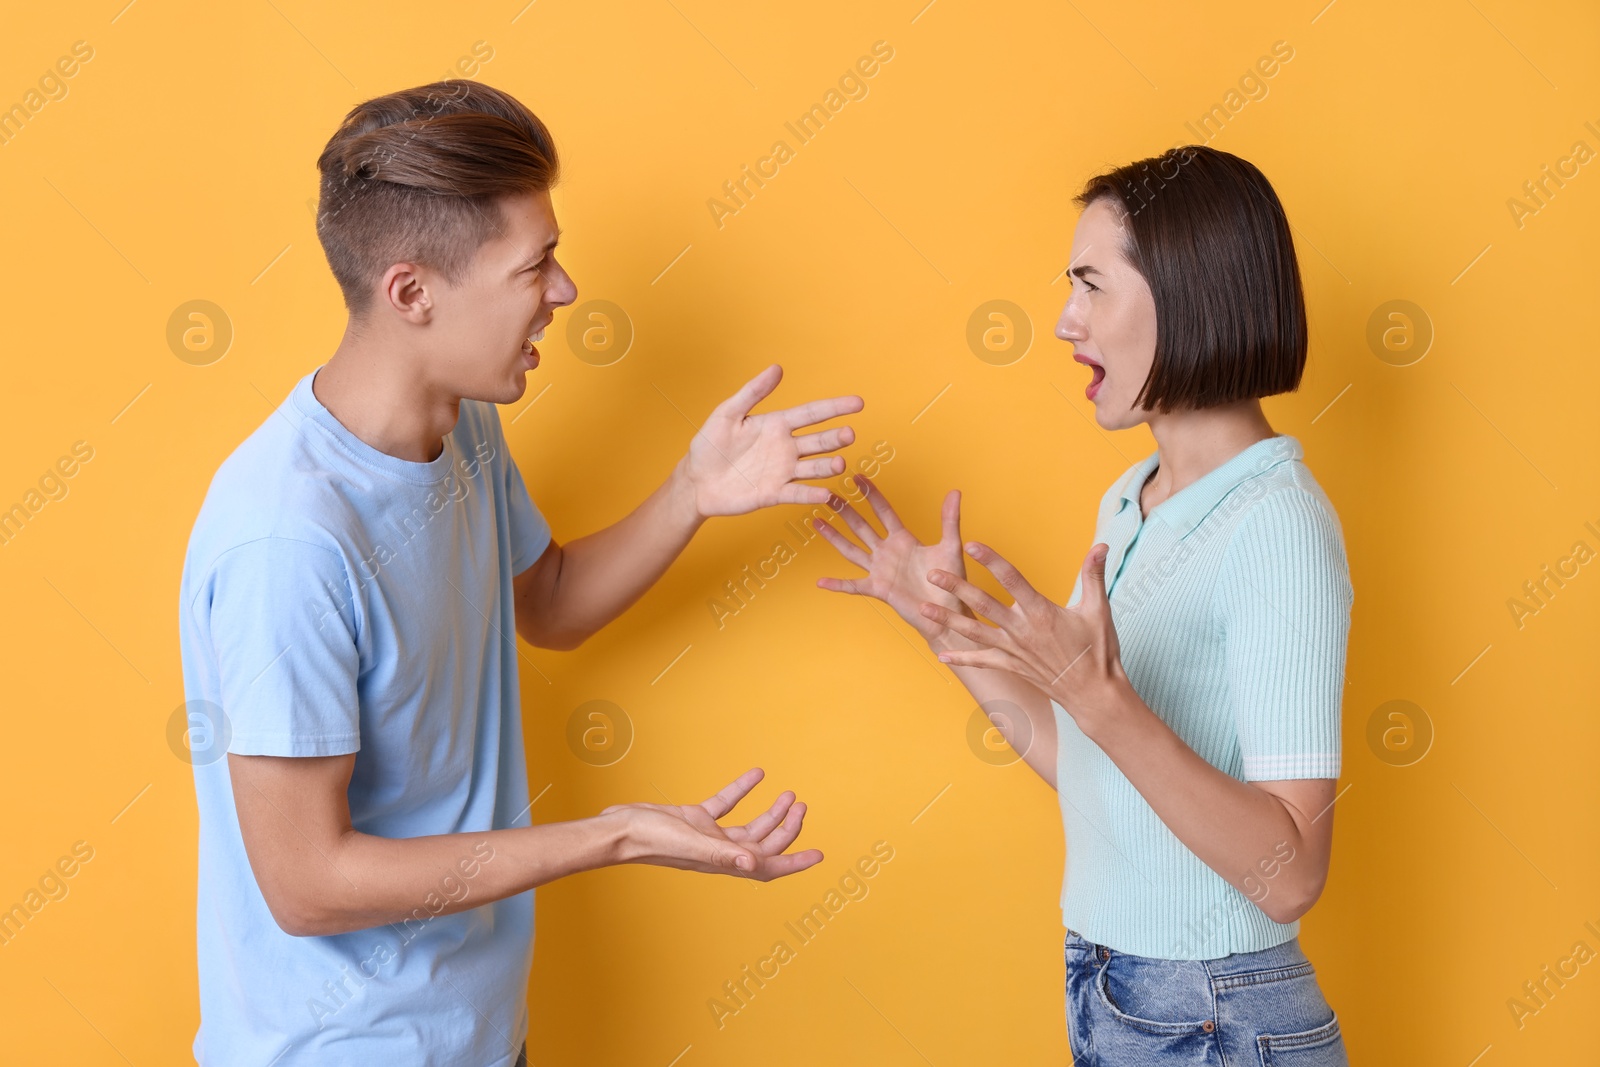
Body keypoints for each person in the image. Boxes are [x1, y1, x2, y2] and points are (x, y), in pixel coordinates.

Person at [176, 80, 858, 1066]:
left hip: (471, 1031)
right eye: (535, 264)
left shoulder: (463, 426)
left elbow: (548, 604)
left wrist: (692, 492)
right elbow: (307, 883)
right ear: (413, 293)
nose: (566, 290)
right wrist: (614, 834)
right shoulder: (288, 540)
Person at [812, 144, 1353, 1064]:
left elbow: (1291, 871)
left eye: (1091, 285)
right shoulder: (1131, 498)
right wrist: (952, 631)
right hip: (1116, 990)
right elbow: (1094, 772)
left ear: (1186, 292)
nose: (1066, 320)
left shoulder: (1278, 525)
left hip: (1217, 1014)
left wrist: (1100, 695)